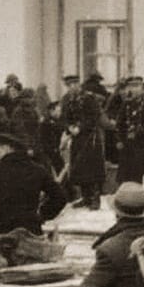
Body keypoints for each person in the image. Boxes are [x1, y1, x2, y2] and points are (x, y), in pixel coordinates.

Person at [0, 131, 67, 235]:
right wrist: (42, 215)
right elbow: (60, 197)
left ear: (6, 149)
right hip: (28, 231)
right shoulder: (37, 170)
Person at [61, 74, 106, 210]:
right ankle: (86, 197)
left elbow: (95, 116)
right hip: (77, 138)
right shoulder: (67, 100)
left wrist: (80, 127)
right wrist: (69, 128)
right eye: (69, 85)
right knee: (80, 167)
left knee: (93, 167)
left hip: (90, 137)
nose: (72, 87)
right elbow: (64, 118)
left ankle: (95, 198)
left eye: (75, 84)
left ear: (79, 84)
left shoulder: (89, 98)